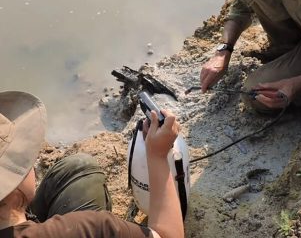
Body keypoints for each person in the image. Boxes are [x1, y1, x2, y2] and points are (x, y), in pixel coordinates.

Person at [0, 90, 184, 238]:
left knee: (77, 168)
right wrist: (157, 155)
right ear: (14, 186)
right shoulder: (89, 229)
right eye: (25, 158)